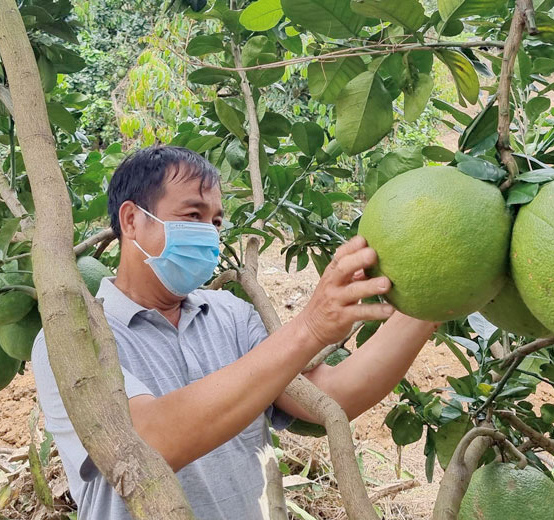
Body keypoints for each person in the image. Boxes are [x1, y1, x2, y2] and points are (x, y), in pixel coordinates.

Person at [32, 146, 439, 520]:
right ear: (132, 220)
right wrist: (310, 327)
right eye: (192, 216)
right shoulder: (73, 342)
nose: (209, 232)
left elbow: (329, 397)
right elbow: (147, 444)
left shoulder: (231, 315)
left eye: (215, 221)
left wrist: (437, 300)